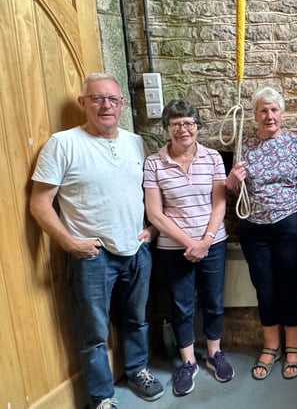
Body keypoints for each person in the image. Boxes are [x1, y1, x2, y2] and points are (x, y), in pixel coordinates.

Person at [29, 73, 164, 409]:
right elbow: (39, 203)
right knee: (93, 332)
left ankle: (136, 369)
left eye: (113, 100)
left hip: (135, 249)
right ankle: (102, 397)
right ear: (83, 103)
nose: (106, 105)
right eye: (98, 98)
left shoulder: (136, 143)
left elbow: (149, 192)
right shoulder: (63, 144)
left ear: (121, 105)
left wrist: (152, 228)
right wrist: (69, 243)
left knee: (136, 319)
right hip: (93, 255)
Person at [143, 99, 232, 397]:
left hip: (213, 243)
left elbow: (220, 201)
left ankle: (215, 353)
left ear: (197, 127)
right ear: (167, 129)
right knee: (181, 305)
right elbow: (155, 213)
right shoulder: (154, 163)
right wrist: (189, 244)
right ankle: (188, 361)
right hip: (173, 248)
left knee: (213, 301)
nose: (183, 129)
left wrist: (205, 241)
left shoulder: (213, 158)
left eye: (188, 123)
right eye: (176, 124)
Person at [225, 87, 297, 380]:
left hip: (290, 223)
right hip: (254, 228)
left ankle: (294, 346)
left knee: (291, 284)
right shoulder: (243, 145)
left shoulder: (295, 143)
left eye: (274, 110)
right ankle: (271, 345)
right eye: (263, 110)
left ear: (282, 114)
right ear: (255, 115)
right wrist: (232, 181)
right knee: (264, 287)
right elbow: (232, 191)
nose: (269, 115)